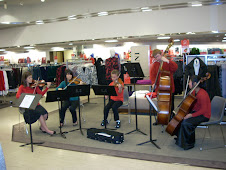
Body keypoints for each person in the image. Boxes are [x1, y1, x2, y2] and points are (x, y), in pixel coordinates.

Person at [175, 75, 211, 150]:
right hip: (197, 112)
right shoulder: (195, 91)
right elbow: (193, 104)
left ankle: (189, 143)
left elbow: (204, 110)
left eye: (190, 82)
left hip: (204, 115)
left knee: (186, 123)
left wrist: (191, 115)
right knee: (181, 118)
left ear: (195, 83)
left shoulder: (202, 94)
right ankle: (182, 139)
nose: (188, 83)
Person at [16, 71, 55, 135]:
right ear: (25, 79)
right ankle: (47, 130)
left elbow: (41, 94)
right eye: (29, 78)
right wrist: (26, 98)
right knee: (40, 114)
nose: (31, 79)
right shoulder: (22, 87)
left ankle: (42, 127)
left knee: (45, 114)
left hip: (36, 104)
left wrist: (47, 87)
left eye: (31, 77)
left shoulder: (34, 86)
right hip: (28, 106)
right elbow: (18, 96)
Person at [150, 49, 178, 123]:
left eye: (158, 56)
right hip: (159, 88)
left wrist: (168, 61)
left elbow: (175, 68)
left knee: (170, 105)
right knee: (160, 104)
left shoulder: (167, 62)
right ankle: (160, 118)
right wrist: (153, 83)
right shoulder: (155, 64)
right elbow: (152, 75)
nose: (157, 58)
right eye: (155, 57)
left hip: (169, 87)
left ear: (161, 54)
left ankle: (171, 117)